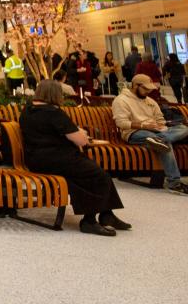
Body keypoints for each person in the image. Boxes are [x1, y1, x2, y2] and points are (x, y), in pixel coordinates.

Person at [20, 80, 128, 236]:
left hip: (37, 159)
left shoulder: (27, 111)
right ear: (55, 94)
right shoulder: (54, 113)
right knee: (100, 175)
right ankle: (89, 221)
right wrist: (82, 133)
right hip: (58, 158)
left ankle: (107, 215)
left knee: (84, 176)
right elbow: (81, 141)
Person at [111, 74, 188, 195]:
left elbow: (160, 118)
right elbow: (121, 123)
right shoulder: (121, 100)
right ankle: (175, 184)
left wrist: (161, 126)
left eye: (149, 89)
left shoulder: (150, 101)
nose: (148, 92)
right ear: (136, 86)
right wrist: (143, 125)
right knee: (164, 142)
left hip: (155, 132)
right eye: (145, 89)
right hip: (134, 132)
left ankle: (158, 140)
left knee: (183, 128)